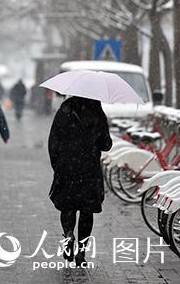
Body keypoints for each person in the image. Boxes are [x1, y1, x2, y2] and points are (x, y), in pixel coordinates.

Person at [48, 95, 112, 266]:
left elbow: (53, 141)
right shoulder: (97, 111)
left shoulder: (65, 110)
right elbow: (106, 144)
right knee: (86, 210)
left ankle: (68, 234)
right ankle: (81, 253)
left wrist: (58, 165)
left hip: (67, 167)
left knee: (68, 206)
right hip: (89, 169)